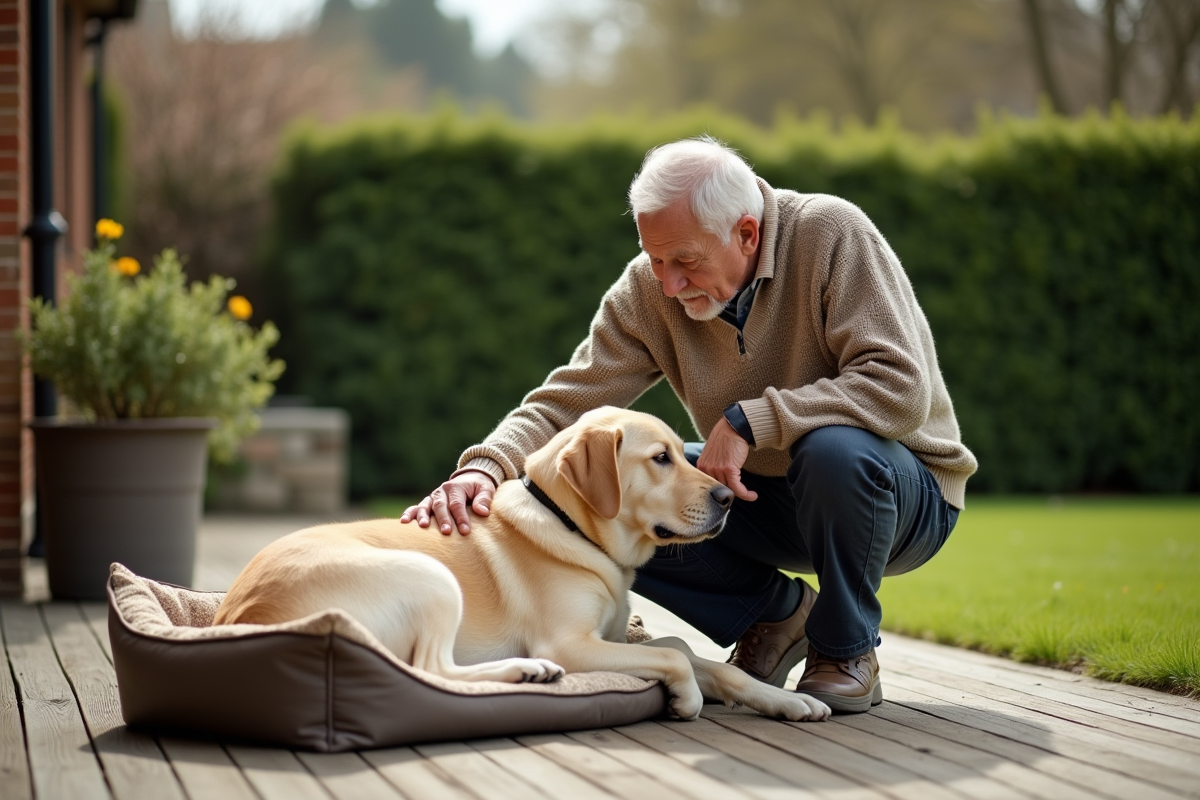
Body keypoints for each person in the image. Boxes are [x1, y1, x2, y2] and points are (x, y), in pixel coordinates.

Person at [402, 136, 977, 713]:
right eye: (656, 259)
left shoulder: (831, 234)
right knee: (624, 493)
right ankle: (777, 615)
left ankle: (846, 649)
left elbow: (899, 387)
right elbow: (567, 402)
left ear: (747, 233)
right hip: (766, 493)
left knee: (832, 450)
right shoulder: (648, 291)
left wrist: (751, 421)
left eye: (686, 261)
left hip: (897, 496)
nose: (669, 284)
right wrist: (485, 467)